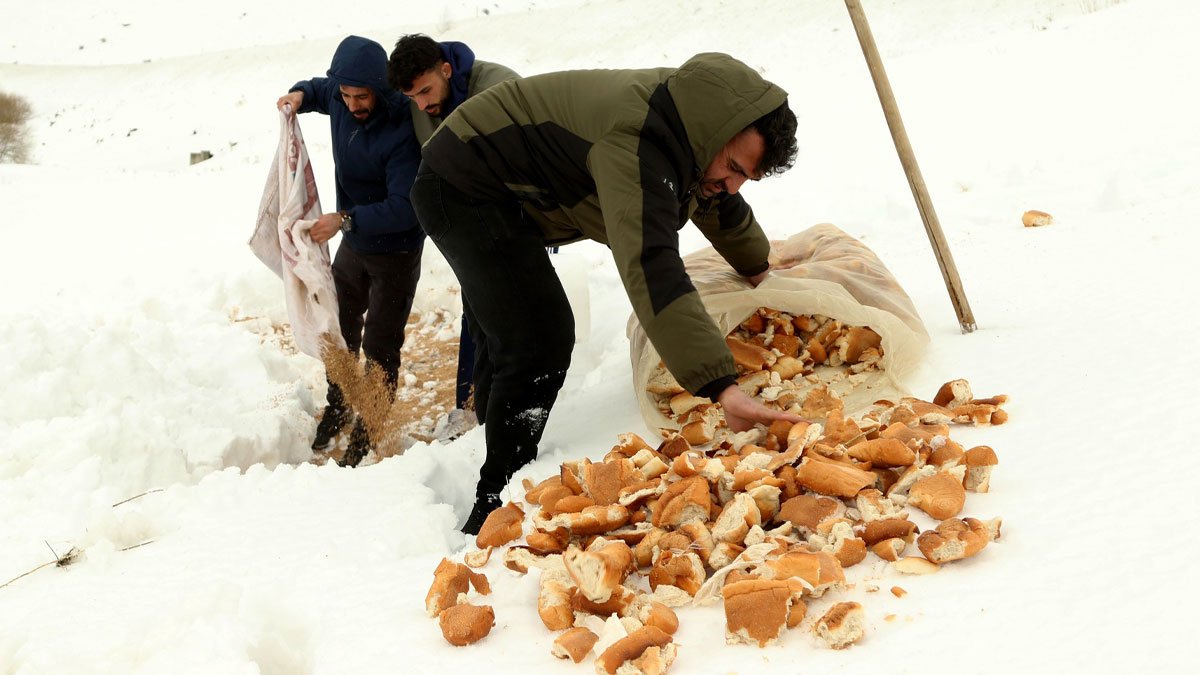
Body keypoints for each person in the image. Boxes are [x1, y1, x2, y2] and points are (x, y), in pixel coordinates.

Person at [409, 52, 804, 534]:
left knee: (511, 328)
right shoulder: (638, 144)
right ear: (712, 134)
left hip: (510, 192)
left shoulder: (694, 133)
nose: (734, 185)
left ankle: (488, 437)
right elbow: (651, 263)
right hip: (462, 185)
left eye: (747, 176)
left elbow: (717, 202)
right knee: (537, 336)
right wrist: (722, 386)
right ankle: (495, 503)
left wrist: (760, 269)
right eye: (735, 167)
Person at [276, 35, 423, 467]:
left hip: (395, 250)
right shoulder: (340, 98)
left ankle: (370, 426)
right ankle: (339, 404)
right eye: (347, 95)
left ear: (379, 87)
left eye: (362, 96)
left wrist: (344, 219)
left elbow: (405, 206)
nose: (353, 104)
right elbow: (319, 89)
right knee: (337, 328)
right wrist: (299, 95)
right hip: (355, 244)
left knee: (380, 343)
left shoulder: (401, 129)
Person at [386, 34, 519, 425]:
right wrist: (308, 94)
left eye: (426, 91)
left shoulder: (499, 88)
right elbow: (356, 87)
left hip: (517, 219)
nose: (421, 105)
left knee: (511, 315)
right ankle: (473, 409)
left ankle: (508, 411)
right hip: (470, 223)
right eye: (412, 97)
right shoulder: (422, 100)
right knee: (476, 314)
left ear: (446, 70)